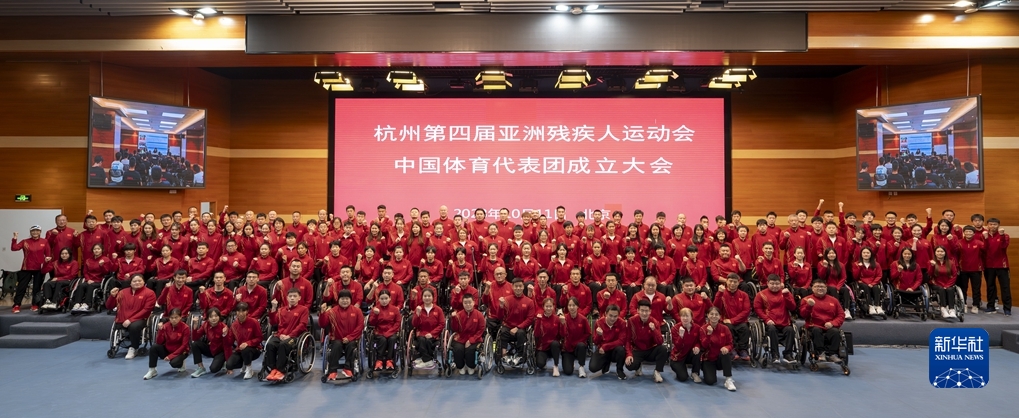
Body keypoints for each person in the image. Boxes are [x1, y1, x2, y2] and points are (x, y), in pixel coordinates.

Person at [106, 274, 156, 360]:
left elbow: (147, 310)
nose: (137, 283)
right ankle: (115, 346)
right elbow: (109, 306)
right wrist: (112, 296)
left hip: (140, 319)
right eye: (134, 281)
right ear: (130, 283)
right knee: (118, 325)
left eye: (139, 281)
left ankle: (134, 348)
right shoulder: (122, 292)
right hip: (122, 319)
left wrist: (131, 320)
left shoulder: (150, 293)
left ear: (144, 282)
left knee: (134, 326)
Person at [264, 288, 310, 382]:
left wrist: (289, 335)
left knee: (283, 345)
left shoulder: (303, 309)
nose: (292, 298)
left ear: (299, 298)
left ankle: (281, 371)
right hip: (280, 335)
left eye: (295, 296)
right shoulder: (281, 310)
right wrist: (273, 308)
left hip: (295, 337)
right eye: (290, 296)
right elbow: (273, 323)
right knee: (270, 344)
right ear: (287, 298)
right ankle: (273, 369)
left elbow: (302, 325)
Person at [320, 290, 365, 381]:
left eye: (347, 299)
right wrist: (322, 313)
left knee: (351, 345)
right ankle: (332, 371)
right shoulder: (332, 311)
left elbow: (360, 326)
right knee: (336, 345)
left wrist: (349, 338)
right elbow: (322, 324)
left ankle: (348, 369)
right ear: (338, 300)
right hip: (337, 339)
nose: (345, 301)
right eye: (342, 299)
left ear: (350, 300)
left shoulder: (357, 311)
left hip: (352, 339)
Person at [753, 275, 798, 364]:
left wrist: (786, 296)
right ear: (767, 283)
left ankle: (788, 355)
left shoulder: (786, 293)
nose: (775, 286)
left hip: (784, 322)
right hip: (770, 322)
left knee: (790, 330)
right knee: (772, 330)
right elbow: (757, 309)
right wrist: (766, 319)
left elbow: (792, 307)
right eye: (772, 284)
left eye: (777, 284)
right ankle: (775, 355)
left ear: (780, 284)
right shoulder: (761, 294)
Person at [800, 280, 845, 363]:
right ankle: (820, 353)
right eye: (817, 286)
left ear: (826, 288)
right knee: (816, 331)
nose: (820, 288)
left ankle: (832, 354)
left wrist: (833, 323)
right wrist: (809, 306)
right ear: (812, 289)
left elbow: (841, 315)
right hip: (814, 325)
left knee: (835, 332)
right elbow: (803, 315)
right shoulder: (806, 299)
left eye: (822, 287)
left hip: (829, 326)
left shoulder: (834, 300)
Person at [624, 299, 667, 383]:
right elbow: (627, 339)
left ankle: (657, 372)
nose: (644, 313)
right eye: (642, 310)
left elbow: (660, 342)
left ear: (650, 311)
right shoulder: (631, 321)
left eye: (646, 311)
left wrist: (654, 330)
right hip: (637, 350)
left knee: (663, 349)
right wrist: (629, 354)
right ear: (638, 310)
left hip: (651, 350)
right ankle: (638, 366)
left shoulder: (655, 322)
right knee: (629, 365)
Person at [11, 226, 50, 312]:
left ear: (40, 232)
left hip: (39, 269)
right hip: (26, 268)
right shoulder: (25, 241)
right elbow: (14, 248)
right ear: (30, 232)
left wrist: (47, 259)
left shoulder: (44, 241)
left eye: (37, 231)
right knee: (21, 287)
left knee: (37, 288)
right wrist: (15, 238)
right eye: (33, 231)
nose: (35, 232)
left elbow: (48, 254)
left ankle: (35, 304)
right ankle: (17, 305)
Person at [497, 279, 536, 366]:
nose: (518, 288)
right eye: (516, 286)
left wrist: (518, 327)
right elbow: (499, 317)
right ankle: (504, 355)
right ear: (512, 287)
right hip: (508, 327)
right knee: (503, 331)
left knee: (521, 333)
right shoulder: (506, 300)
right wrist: (501, 307)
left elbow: (530, 319)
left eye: (520, 286)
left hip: (521, 328)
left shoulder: (529, 302)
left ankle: (520, 355)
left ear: (523, 287)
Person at [143, 308, 191, 379]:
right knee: (154, 347)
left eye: (176, 317)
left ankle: (181, 363)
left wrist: (171, 356)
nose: (174, 320)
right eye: (171, 318)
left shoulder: (185, 328)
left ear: (180, 317)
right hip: (168, 349)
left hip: (181, 351)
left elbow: (184, 345)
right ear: (169, 318)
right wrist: (160, 331)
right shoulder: (166, 326)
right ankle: (152, 370)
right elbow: (159, 342)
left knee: (174, 363)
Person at [713, 274, 751, 362]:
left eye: (735, 282)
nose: (732, 283)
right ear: (726, 281)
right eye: (730, 281)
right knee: (728, 327)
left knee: (745, 328)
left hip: (740, 321)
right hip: (725, 321)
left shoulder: (744, 295)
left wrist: (732, 320)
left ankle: (743, 350)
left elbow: (746, 311)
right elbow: (715, 308)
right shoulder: (721, 293)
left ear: (738, 283)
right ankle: (731, 350)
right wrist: (719, 294)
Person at [224, 302, 263, 379]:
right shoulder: (234, 325)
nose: (241, 313)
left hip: (254, 349)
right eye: (238, 311)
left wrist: (248, 343)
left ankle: (249, 369)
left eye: (243, 311)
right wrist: (225, 335)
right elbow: (230, 342)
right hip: (240, 350)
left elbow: (260, 338)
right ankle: (244, 363)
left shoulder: (254, 322)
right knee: (229, 365)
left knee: (246, 349)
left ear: (247, 311)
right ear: (236, 312)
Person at [449, 293, 485, 375]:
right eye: (465, 303)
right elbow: (455, 329)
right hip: (461, 337)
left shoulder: (479, 315)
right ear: (462, 303)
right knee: (458, 349)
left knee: (470, 350)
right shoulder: (459, 314)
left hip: (475, 338)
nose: (468, 304)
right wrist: (453, 319)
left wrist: (471, 340)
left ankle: (471, 366)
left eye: (469, 302)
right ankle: (460, 366)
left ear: (473, 302)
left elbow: (481, 330)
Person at [701, 306, 737, 391]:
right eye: (711, 314)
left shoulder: (725, 328)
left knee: (726, 353)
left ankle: (728, 379)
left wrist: (727, 348)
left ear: (720, 316)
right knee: (710, 381)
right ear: (707, 315)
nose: (714, 316)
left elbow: (730, 344)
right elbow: (704, 346)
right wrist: (709, 335)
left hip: (720, 358)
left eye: (716, 314)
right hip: (708, 359)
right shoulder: (703, 329)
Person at [410, 288, 444, 370]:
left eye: (429, 296)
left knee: (427, 340)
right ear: (422, 297)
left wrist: (432, 334)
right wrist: (417, 315)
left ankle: (426, 360)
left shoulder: (438, 310)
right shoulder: (419, 309)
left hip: (434, 335)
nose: (427, 298)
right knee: (422, 339)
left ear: (433, 297)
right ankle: (427, 360)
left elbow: (442, 324)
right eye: (425, 296)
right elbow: (415, 324)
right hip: (421, 334)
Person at [368, 290, 402, 372]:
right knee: (382, 339)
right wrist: (375, 315)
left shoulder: (395, 309)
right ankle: (379, 360)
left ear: (390, 298)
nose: (384, 301)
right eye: (382, 299)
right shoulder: (375, 309)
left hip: (391, 331)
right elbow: (372, 323)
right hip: (379, 331)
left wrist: (389, 332)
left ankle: (389, 360)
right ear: (378, 299)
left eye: (386, 298)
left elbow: (398, 323)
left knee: (392, 339)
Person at [190, 307, 228, 378]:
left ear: (219, 317)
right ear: (208, 318)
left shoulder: (223, 327)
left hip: (220, 352)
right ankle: (201, 368)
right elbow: (195, 338)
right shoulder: (205, 325)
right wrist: (195, 327)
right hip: (211, 349)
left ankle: (223, 362)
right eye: (211, 316)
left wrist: (229, 366)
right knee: (195, 344)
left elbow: (228, 345)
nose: (214, 318)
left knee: (213, 369)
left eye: (216, 316)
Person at [983, 219, 1011, 316]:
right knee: (990, 286)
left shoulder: (1005, 235)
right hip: (988, 265)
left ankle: (1007, 308)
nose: (993, 226)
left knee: (1005, 287)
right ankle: (991, 306)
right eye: (991, 224)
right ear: (987, 225)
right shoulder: (984, 235)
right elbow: (984, 249)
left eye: (995, 224)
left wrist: (1002, 236)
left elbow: (1004, 247)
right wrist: (986, 239)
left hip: (1002, 265)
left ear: (998, 225)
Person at [670, 307, 703, 382]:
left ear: (691, 317)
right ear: (680, 317)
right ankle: (680, 368)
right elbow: (678, 346)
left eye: (687, 316)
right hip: (678, 356)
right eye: (683, 316)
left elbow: (699, 341)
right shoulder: (675, 329)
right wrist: (681, 336)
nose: (685, 318)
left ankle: (695, 373)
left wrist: (697, 346)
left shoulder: (697, 328)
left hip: (690, 354)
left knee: (697, 352)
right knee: (683, 378)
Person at [561, 297, 591, 378]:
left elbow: (588, 333)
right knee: (568, 371)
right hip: (567, 348)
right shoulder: (564, 318)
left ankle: (581, 367)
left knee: (581, 345)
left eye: (573, 305)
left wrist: (578, 342)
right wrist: (563, 324)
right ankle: (571, 362)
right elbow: (562, 334)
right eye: (569, 305)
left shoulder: (583, 319)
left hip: (578, 346)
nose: (571, 307)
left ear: (577, 306)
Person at [533, 298, 563, 376]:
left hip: (554, 347)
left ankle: (555, 366)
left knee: (555, 344)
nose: (549, 308)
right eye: (547, 306)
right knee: (540, 364)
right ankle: (544, 361)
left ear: (553, 307)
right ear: (543, 307)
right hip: (542, 347)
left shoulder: (557, 319)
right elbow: (536, 334)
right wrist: (538, 322)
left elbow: (562, 334)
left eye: (550, 306)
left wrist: (563, 324)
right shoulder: (539, 318)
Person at [929, 246, 960, 319]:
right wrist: (932, 266)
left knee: (950, 289)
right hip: (936, 284)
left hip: (948, 283)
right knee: (941, 289)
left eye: (942, 251)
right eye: (938, 251)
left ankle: (951, 309)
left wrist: (947, 285)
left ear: (945, 253)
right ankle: (943, 308)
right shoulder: (931, 262)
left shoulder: (951, 263)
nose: (940, 253)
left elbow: (954, 275)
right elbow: (930, 275)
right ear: (935, 253)